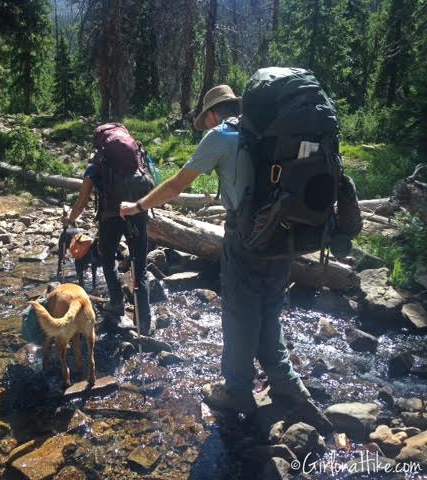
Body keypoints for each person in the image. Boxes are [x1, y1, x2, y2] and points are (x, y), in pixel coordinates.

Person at [120, 85, 332, 427]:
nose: (206, 124)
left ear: (214, 113)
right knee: (269, 311)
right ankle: (289, 387)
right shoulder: (272, 133)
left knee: (238, 315)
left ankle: (237, 391)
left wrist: (139, 206)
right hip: (286, 235)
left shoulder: (221, 135)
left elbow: (177, 184)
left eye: (206, 118)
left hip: (245, 238)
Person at [62, 134, 154, 336]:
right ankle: (145, 322)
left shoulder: (96, 166)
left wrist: (70, 220)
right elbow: (153, 184)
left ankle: (117, 303)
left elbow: (82, 202)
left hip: (110, 219)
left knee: (107, 257)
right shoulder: (138, 158)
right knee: (140, 266)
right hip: (137, 214)